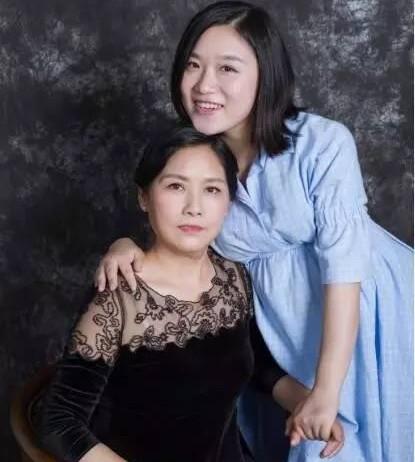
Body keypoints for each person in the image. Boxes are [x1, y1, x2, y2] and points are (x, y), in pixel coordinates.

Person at [94, 2, 414, 462]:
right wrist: (124, 243)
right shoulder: (199, 159)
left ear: (266, 76)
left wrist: (327, 389)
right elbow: (179, 245)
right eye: (193, 65)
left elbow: (345, 267)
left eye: (227, 68)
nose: (204, 85)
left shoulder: (322, 143)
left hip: (370, 309)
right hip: (286, 335)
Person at [38, 126, 344, 462]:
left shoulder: (233, 276)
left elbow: (257, 363)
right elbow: (58, 421)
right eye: (175, 186)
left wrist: (308, 403)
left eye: (212, 189)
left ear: (228, 202)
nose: (194, 207)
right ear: (143, 197)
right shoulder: (117, 295)